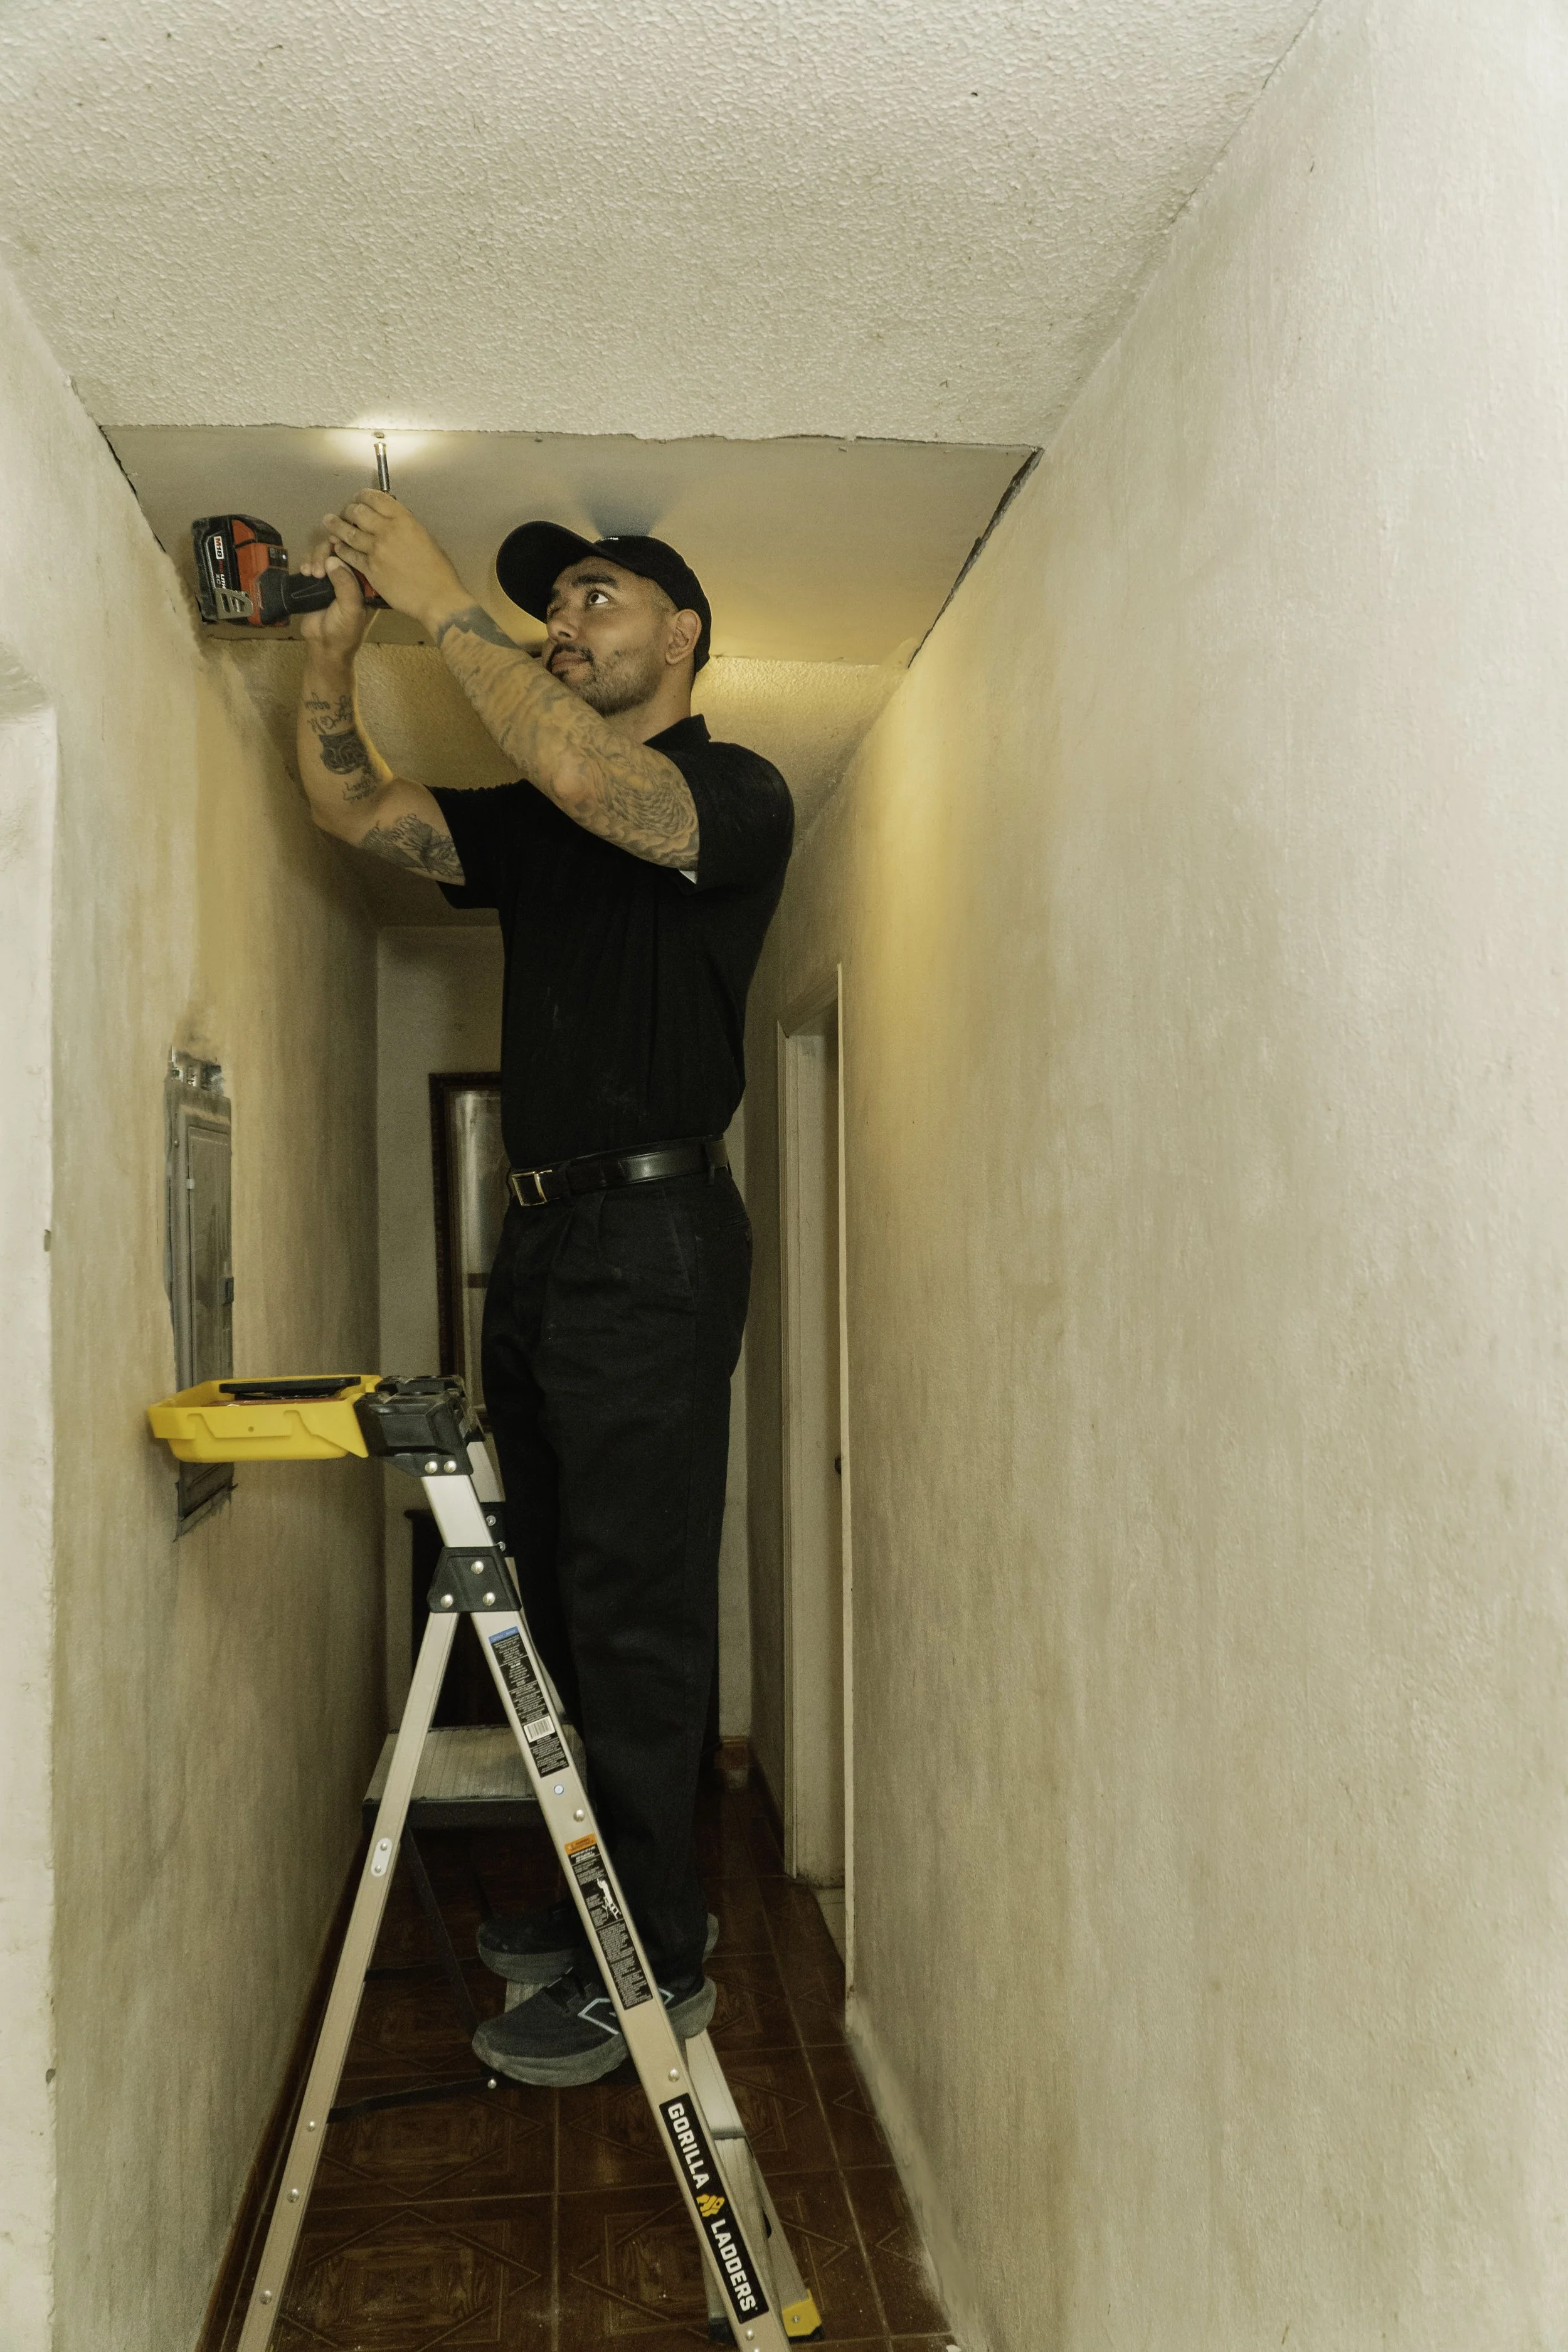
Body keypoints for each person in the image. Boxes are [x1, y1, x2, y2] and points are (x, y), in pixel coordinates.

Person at [292, 490, 793, 2085]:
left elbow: (598, 778)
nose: (566, 625)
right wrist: (332, 660)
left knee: (636, 1616)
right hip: (550, 1243)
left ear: (683, 632)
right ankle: (600, 1918)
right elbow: (353, 811)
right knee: (559, 1598)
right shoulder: (537, 818)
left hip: (653, 1235)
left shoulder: (729, 791)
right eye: (554, 608)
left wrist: (449, 603)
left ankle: (663, 1967)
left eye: (594, 599)